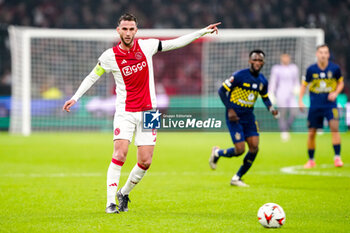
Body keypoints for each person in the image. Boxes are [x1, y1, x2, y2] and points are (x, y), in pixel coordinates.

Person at [62, 13, 220, 214]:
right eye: (124, 29)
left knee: (145, 161)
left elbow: (176, 43)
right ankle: (110, 203)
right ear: (118, 30)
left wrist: (202, 32)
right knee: (120, 154)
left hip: (149, 112)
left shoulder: (147, 46)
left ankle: (124, 193)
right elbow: (93, 76)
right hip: (125, 112)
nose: (128, 33)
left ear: (136, 30)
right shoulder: (109, 57)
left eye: (131, 29)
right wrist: (75, 97)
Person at [209, 49, 279, 187]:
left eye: (260, 60)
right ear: (250, 61)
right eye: (255, 59)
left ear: (263, 62)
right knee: (240, 150)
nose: (257, 62)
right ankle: (217, 153)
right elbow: (221, 91)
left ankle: (237, 177)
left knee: (254, 148)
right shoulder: (239, 76)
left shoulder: (262, 81)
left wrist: (271, 109)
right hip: (234, 116)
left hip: (249, 117)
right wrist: (230, 109)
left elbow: (265, 97)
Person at [299, 44, 344, 169]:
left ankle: (337, 158)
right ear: (317, 54)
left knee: (334, 129)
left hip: (330, 105)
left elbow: (341, 83)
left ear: (328, 55)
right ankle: (311, 160)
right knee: (311, 133)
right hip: (315, 106)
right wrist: (300, 101)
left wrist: (335, 93)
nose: (323, 55)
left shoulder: (335, 68)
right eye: (321, 52)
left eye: (325, 52)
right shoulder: (311, 69)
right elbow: (304, 85)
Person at [269, 53, 299, 141]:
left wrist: (297, 87)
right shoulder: (276, 69)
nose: (286, 58)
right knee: (282, 113)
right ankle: (284, 131)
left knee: (294, 111)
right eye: (284, 57)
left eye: (287, 57)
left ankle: (287, 126)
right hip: (281, 93)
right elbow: (273, 81)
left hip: (291, 94)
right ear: (281, 58)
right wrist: (271, 93)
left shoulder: (294, 68)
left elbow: (296, 80)